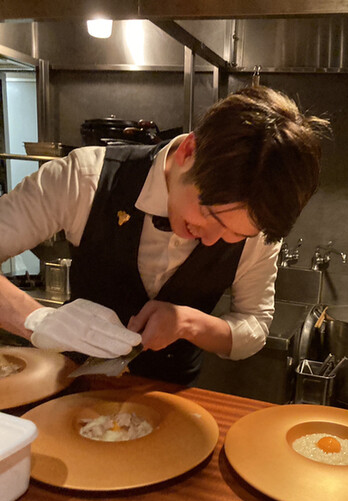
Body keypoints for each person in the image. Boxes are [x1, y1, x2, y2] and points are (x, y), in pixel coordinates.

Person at [0, 86, 329, 384]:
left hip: (170, 399)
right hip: (73, 387)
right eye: (211, 215)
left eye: (236, 234)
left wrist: (188, 323)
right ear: (188, 151)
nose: (211, 241)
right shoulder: (84, 178)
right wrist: (37, 319)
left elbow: (254, 325)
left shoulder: (258, 227)